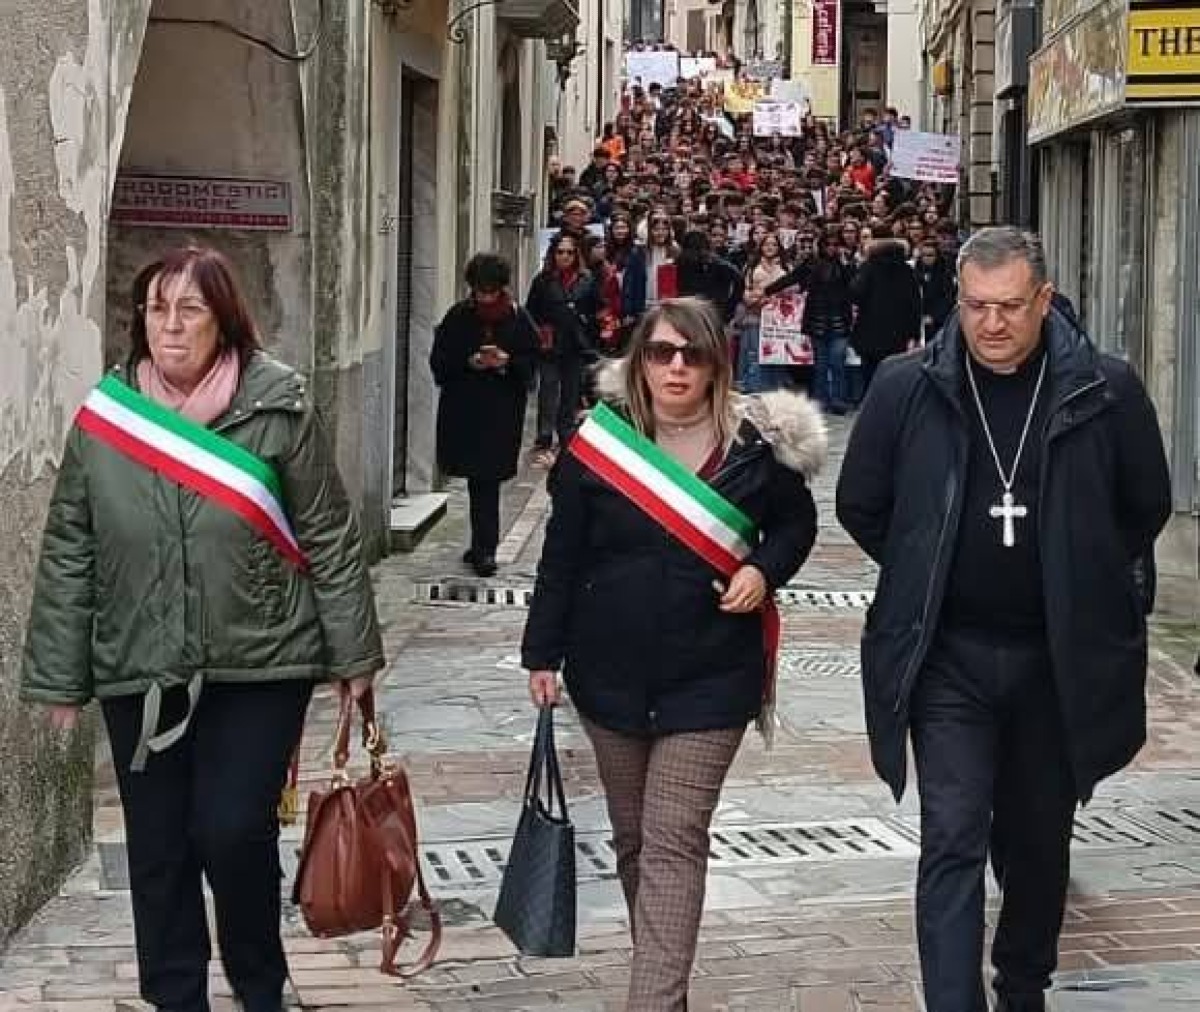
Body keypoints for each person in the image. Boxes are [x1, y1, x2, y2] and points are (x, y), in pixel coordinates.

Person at [20, 244, 384, 1012]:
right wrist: (58, 675)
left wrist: (354, 654)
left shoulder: (279, 407)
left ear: (225, 321)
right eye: (158, 309)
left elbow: (327, 532)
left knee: (231, 829)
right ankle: (175, 997)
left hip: (261, 662)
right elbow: (70, 547)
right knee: (158, 848)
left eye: (191, 309)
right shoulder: (106, 421)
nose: (172, 326)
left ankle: (259, 983)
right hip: (140, 663)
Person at [836, 227, 1172, 1012]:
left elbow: (1144, 505)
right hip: (948, 656)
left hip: (1055, 658)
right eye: (976, 306)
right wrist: (930, 563)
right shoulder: (905, 386)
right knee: (952, 833)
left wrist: (1077, 572)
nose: (991, 324)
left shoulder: (1105, 389)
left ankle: (1023, 986)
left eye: (1010, 307)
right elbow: (861, 503)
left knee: (1037, 839)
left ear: (1044, 300)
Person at [522, 296, 824, 1012]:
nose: (677, 367)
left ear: (718, 363)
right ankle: (667, 989)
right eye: (661, 352)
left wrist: (762, 571)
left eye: (693, 354)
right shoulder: (600, 445)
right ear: (640, 361)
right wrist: (542, 653)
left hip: (711, 678)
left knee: (673, 838)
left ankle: (651, 1001)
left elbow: (796, 526)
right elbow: (561, 555)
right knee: (634, 842)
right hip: (608, 676)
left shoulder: (757, 447)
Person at [431, 253, 538, 577]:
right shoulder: (458, 317)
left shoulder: (518, 319)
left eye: (491, 291)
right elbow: (439, 362)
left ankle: (485, 549)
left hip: (501, 413)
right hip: (465, 410)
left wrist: (507, 362)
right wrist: (471, 362)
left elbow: (532, 364)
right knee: (477, 481)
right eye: (481, 291)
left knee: (487, 481)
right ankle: (480, 544)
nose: (486, 297)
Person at [526, 233, 600, 464]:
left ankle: (566, 432)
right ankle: (544, 434)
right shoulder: (542, 280)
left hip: (576, 344)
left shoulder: (587, 279)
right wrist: (541, 332)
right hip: (550, 344)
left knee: (571, 390)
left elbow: (597, 309)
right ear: (553, 254)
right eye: (560, 252)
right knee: (548, 388)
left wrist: (588, 326)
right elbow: (531, 312)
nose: (565, 256)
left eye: (569, 252)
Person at [849, 237, 922, 392]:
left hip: (869, 331)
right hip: (898, 334)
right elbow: (915, 304)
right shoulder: (906, 271)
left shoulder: (869, 267)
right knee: (893, 374)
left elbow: (855, 294)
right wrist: (914, 334)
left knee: (869, 374)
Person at [675, 228, 744, 325]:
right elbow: (739, 280)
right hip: (711, 311)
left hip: (690, 311)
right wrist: (729, 308)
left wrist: (729, 308)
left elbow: (738, 280)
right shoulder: (717, 262)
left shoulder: (680, 263)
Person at [915, 236, 957, 342]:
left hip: (938, 323)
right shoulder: (915, 271)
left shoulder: (945, 273)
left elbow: (948, 298)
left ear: (936, 256)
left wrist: (934, 317)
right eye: (924, 255)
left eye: (930, 255)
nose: (926, 258)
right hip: (918, 322)